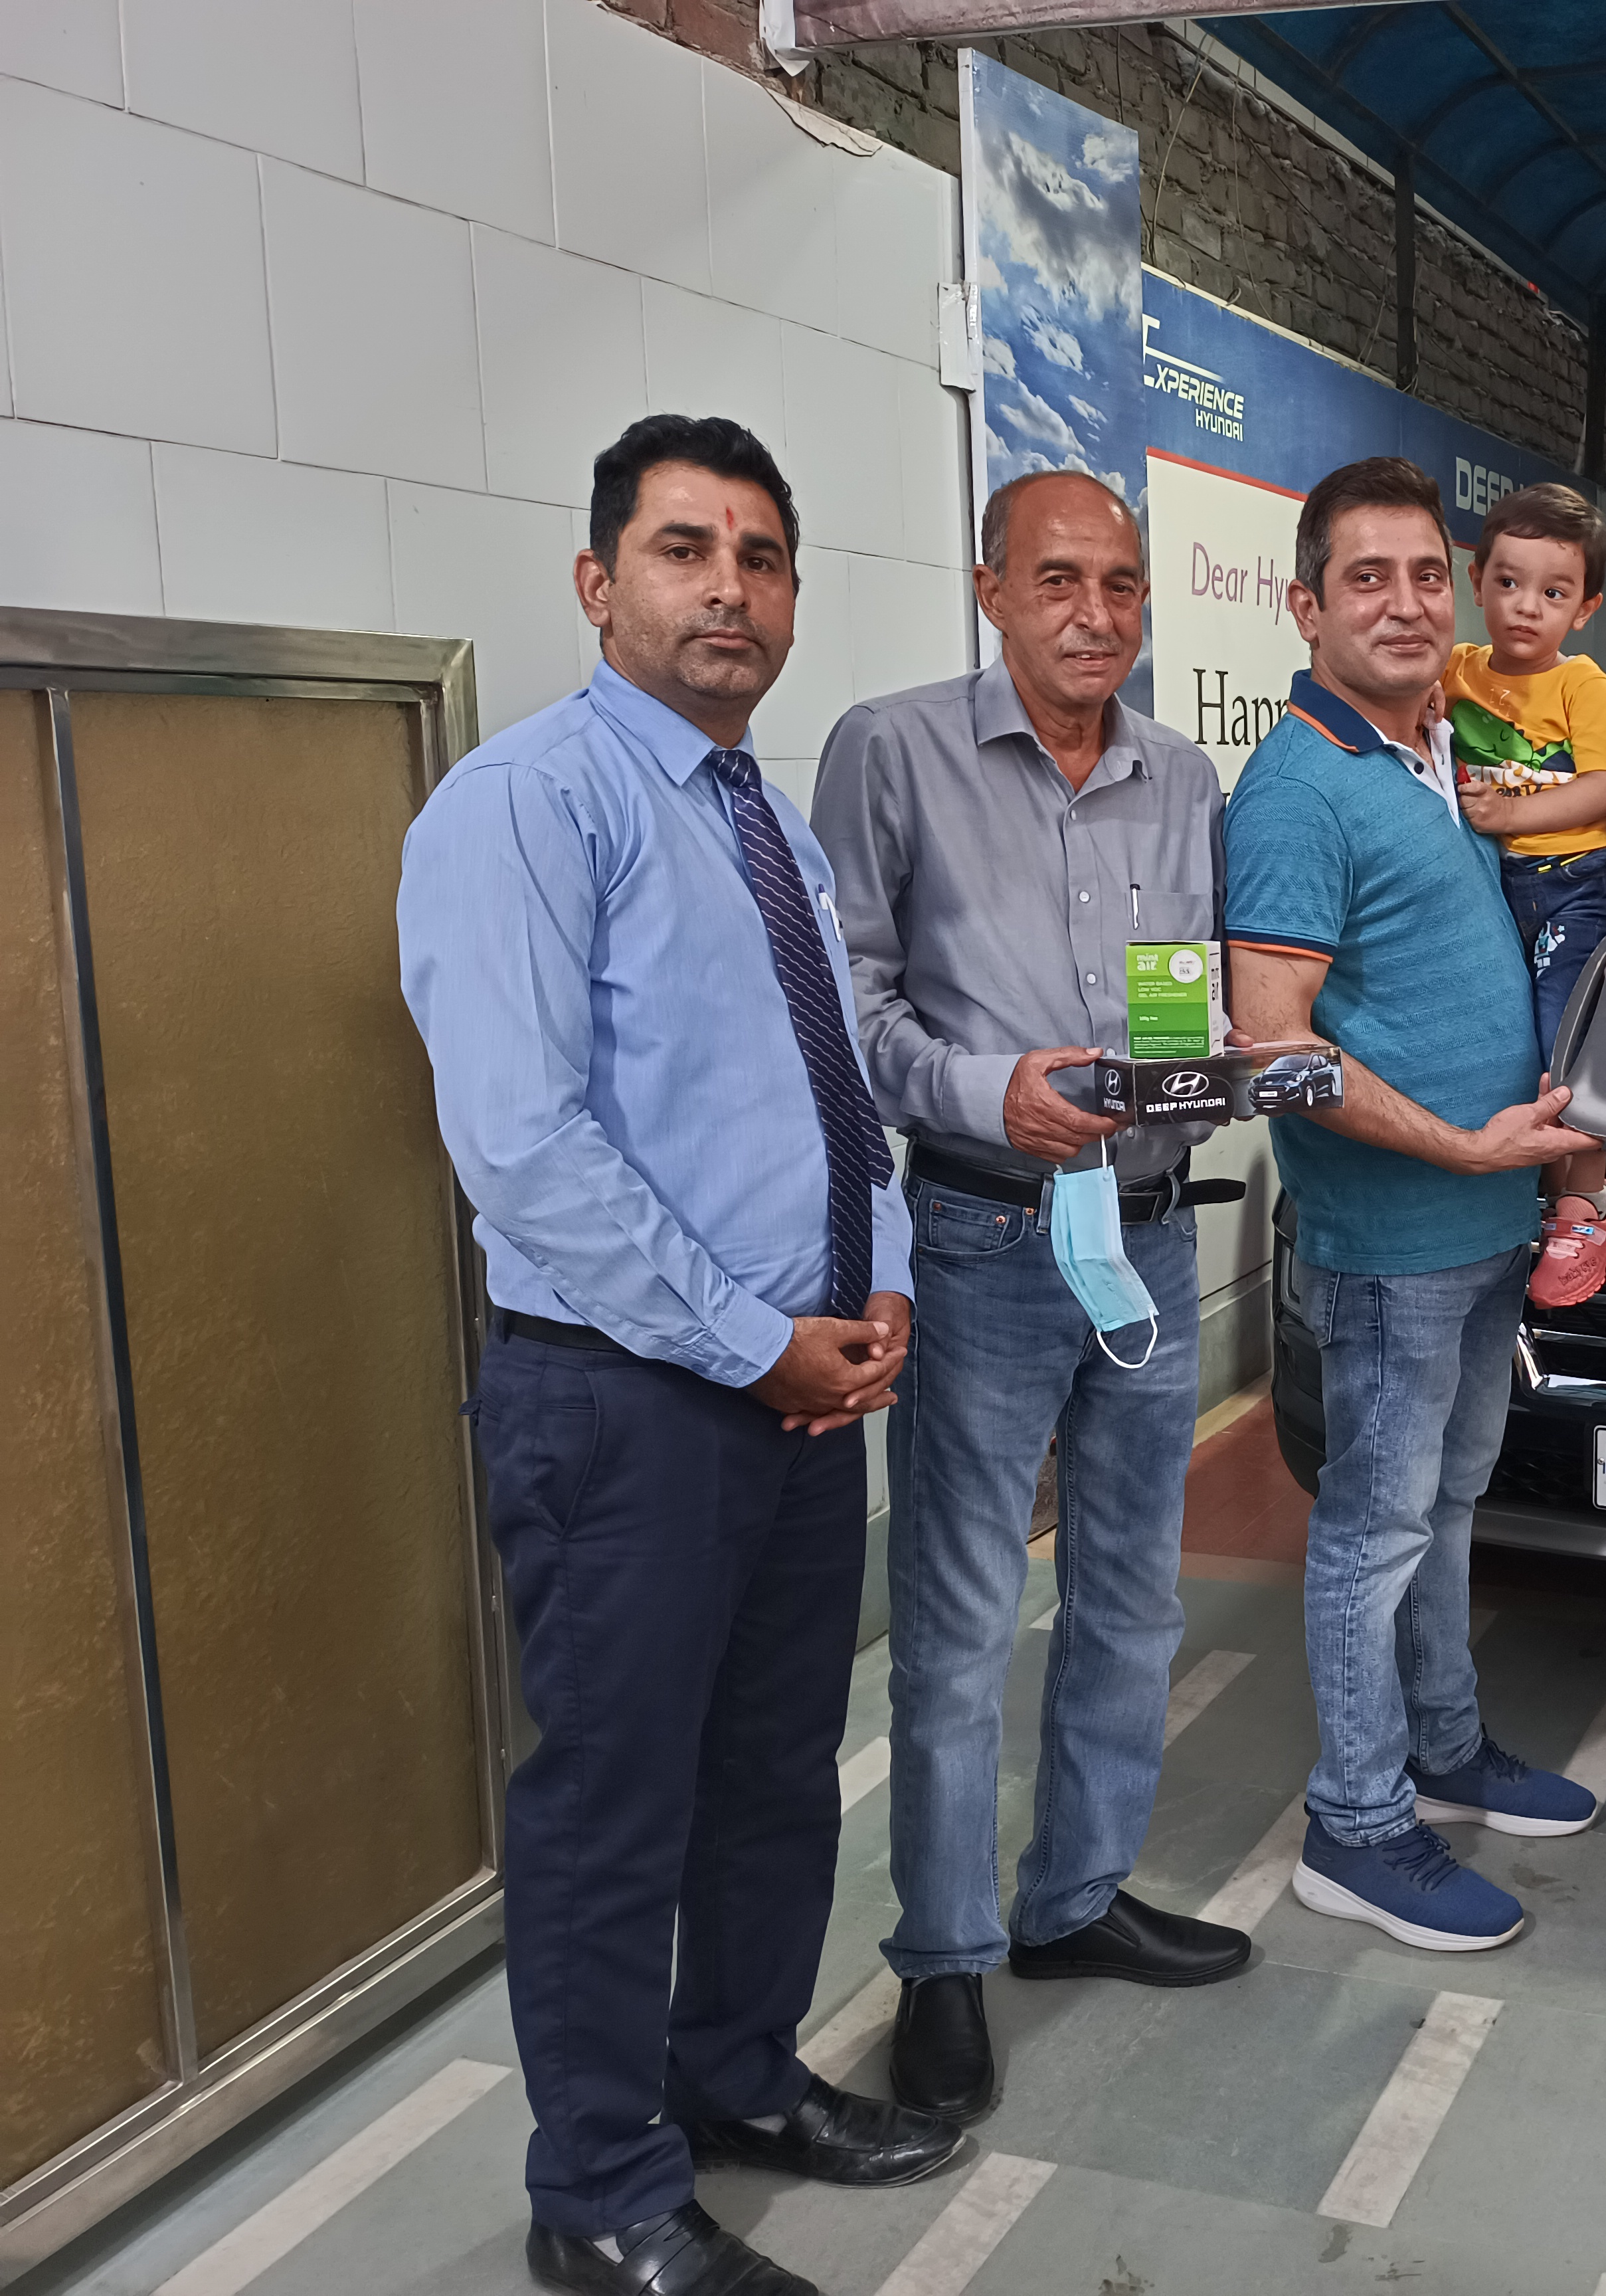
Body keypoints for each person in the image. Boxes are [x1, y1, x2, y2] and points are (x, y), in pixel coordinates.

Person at [399, 415, 960, 2296]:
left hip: (794, 1388)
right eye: (683, 548)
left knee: (777, 1769)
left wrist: (878, 1283)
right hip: (626, 1400)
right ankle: (598, 2189)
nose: (731, 588)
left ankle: (736, 2071)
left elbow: (829, 1091)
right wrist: (753, 1342)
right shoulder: (526, 805)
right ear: (598, 582)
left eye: (762, 556)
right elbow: (528, 1149)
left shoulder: (763, 818)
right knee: (614, 1805)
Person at [810, 469, 1251, 2130]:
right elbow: (844, 1007)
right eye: (1059, 580)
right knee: (959, 1621)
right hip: (983, 1235)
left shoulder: (1181, 778)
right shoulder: (891, 748)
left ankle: (1074, 1897)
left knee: (1133, 1596)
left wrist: (1211, 1071)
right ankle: (944, 1954)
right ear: (991, 587)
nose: (1096, 614)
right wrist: (985, 1092)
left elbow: (1185, 997)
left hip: (1147, 1235)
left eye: (1122, 584)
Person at [1222, 456, 1604, 1952]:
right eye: (1365, 578)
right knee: (1372, 1530)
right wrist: (1456, 1147)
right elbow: (1273, 1049)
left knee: (1444, 1508)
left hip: (1484, 1225)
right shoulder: (1298, 788)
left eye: (1426, 576)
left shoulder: (1436, 752)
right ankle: (1356, 1822)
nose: (1404, 603)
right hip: (1392, 1244)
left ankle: (1443, 1747)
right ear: (1305, 606)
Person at [1442, 480, 1606, 1306]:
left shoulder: (1582, 685)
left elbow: (1602, 789)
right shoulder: (1455, 670)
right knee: (1510, 1048)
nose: (1527, 607)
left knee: (1568, 1043)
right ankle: (1540, 1196)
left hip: (1576, 886)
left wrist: (1510, 813)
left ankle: (1588, 1205)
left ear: (1585, 609)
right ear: (1476, 580)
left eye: (1554, 593)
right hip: (1495, 886)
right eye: (1509, 583)